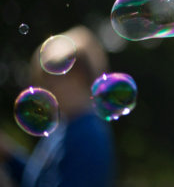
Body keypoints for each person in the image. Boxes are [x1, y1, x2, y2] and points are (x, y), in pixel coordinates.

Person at [1, 25, 116, 187]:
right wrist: (8, 155)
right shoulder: (65, 127)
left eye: (50, 79)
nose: (46, 89)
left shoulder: (88, 136)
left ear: (78, 76)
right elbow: (40, 180)